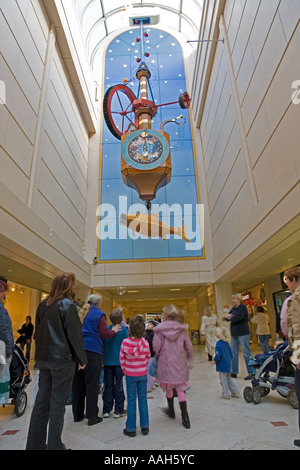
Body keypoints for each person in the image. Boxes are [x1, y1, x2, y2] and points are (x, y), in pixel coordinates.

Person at [26, 272, 87, 450]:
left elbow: (38, 334)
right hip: (62, 360)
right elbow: (75, 335)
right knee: (58, 404)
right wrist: (81, 358)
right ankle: (55, 446)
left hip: (44, 359)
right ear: (69, 287)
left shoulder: (43, 305)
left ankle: (34, 445)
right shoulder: (68, 305)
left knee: (41, 402)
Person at [72, 294, 121, 426]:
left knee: (78, 383)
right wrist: (114, 331)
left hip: (78, 350)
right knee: (92, 384)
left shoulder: (81, 313)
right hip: (93, 351)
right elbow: (104, 333)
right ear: (99, 303)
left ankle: (77, 414)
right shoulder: (99, 314)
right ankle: (92, 416)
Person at [152, 304, 194, 429]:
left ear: (164, 315)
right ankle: (185, 417)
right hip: (179, 362)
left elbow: (156, 347)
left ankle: (171, 411)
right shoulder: (181, 329)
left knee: (169, 386)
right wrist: (189, 356)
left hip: (165, 363)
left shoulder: (159, 329)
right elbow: (188, 345)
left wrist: (158, 353)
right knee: (180, 388)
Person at [120, 315, 150, 437]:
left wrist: (126, 370)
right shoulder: (145, 343)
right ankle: (145, 426)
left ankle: (131, 428)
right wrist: (142, 366)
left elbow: (122, 359)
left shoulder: (125, 343)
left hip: (130, 375)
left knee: (131, 401)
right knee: (143, 399)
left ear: (130, 329)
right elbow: (148, 358)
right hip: (142, 374)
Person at [284, 267, 300, 448]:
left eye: (287, 281)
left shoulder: (296, 297)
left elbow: (297, 327)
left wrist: (298, 356)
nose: (287, 285)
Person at [102, 308, 128, 418]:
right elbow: (126, 346)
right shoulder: (124, 331)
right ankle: (118, 409)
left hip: (107, 362)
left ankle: (106, 410)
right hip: (119, 363)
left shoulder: (107, 329)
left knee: (108, 385)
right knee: (119, 385)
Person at [223, 293, 255, 380]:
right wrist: (229, 316)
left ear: (239, 299)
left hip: (243, 333)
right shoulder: (234, 309)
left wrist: (231, 316)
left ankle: (252, 372)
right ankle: (234, 371)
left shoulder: (243, 308)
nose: (233, 301)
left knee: (246, 352)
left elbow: (236, 318)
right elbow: (225, 317)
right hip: (234, 333)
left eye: (235, 299)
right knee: (233, 353)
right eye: (232, 299)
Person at [213, 326, 240, 399]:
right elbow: (231, 354)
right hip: (228, 364)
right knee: (229, 379)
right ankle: (235, 392)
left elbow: (218, 355)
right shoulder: (227, 344)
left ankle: (225, 394)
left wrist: (215, 360)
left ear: (219, 335)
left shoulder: (219, 344)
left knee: (223, 380)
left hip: (222, 365)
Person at [0, 281, 14, 406]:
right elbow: (3, 329)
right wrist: (9, 350)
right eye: (2, 291)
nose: (4, 294)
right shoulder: (0, 309)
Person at [144, 321, 156, 391]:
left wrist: (144, 340)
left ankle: (149, 386)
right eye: (148, 324)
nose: (148, 325)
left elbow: (150, 342)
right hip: (147, 354)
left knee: (149, 370)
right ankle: (152, 384)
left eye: (150, 324)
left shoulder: (154, 334)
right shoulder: (146, 333)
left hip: (151, 354)